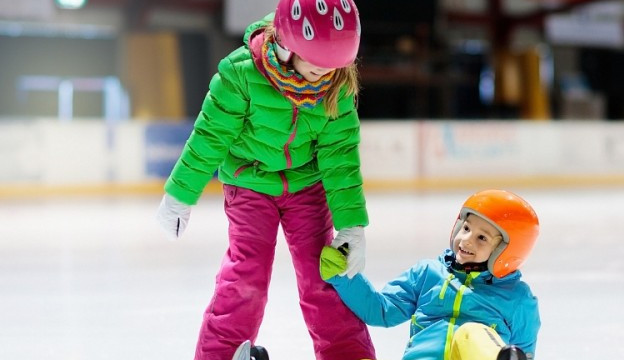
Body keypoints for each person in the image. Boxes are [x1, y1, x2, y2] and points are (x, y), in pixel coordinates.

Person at [154, 0, 375, 359]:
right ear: (287, 47)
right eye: (316, 67)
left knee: (325, 277)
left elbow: (341, 158)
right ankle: (220, 354)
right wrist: (180, 194)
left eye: (333, 68)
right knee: (246, 276)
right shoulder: (240, 73)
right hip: (250, 184)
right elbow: (211, 137)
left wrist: (351, 226)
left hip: (307, 187)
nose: (324, 76)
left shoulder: (337, 85)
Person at [317, 189, 542, 360]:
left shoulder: (518, 299)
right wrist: (344, 276)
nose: (466, 240)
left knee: (471, 333)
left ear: (507, 251)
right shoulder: (427, 274)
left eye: (482, 238)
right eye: (466, 229)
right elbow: (381, 310)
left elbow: (524, 351)